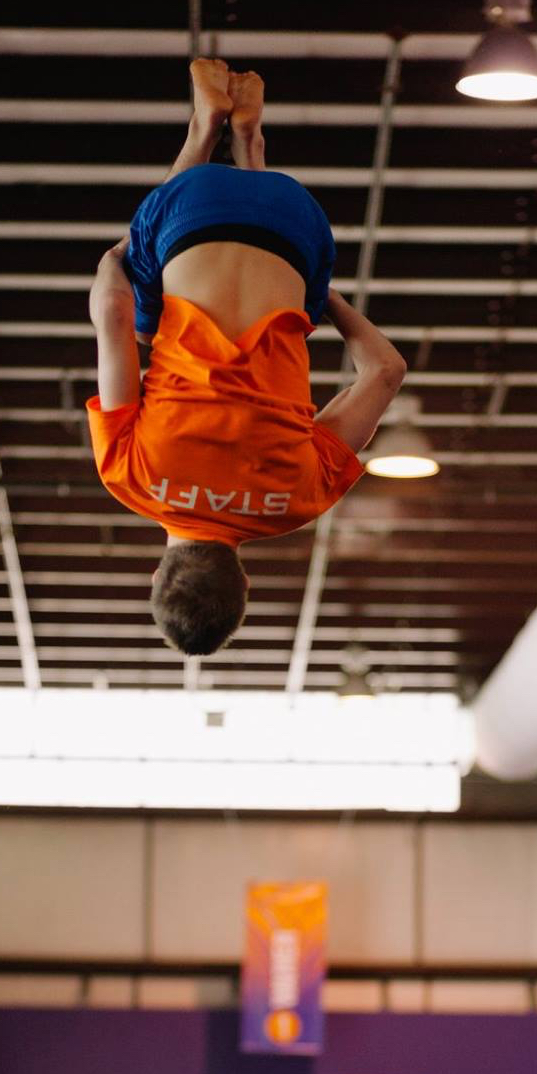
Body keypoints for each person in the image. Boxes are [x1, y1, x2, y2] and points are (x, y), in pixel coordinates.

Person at [87, 58, 406, 655]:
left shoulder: (299, 502)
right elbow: (111, 314)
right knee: (146, 315)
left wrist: (316, 292)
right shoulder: (127, 478)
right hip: (189, 211)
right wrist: (113, 259)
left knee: (284, 325)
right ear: (157, 577)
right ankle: (203, 134)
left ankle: (250, 145)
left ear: (246, 584)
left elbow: (386, 370)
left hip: (298, 225)